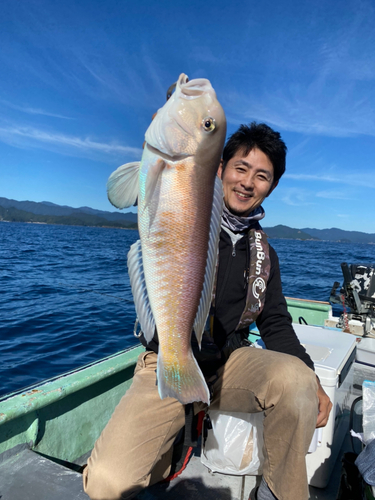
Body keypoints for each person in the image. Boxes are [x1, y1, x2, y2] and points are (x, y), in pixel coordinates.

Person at [83, 122, 332, 500]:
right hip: (170, 359)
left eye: (262, 176)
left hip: (229, 363)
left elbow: (276, 323)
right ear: (219, 169)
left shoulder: (265, 254)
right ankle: (173, 448)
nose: (248, 182)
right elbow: (151, 192)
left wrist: (313, 380)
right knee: (106, 483)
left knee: (297, 381)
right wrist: (169, 139)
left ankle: (276, 493)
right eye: (240, 168)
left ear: (272, 186)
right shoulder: (187, 212)